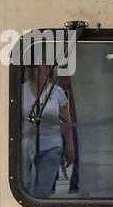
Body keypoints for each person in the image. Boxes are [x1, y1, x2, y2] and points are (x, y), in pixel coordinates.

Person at [21, 64, 75, 197]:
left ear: (48, 69)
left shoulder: (58, 92)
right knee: (24, 186)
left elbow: (66, 121)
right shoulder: (21, 90)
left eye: (43, 66)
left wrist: (70, 147)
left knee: (43, 189)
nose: (38, 69)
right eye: (34, 67)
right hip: (25, 146)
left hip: (52, 146)